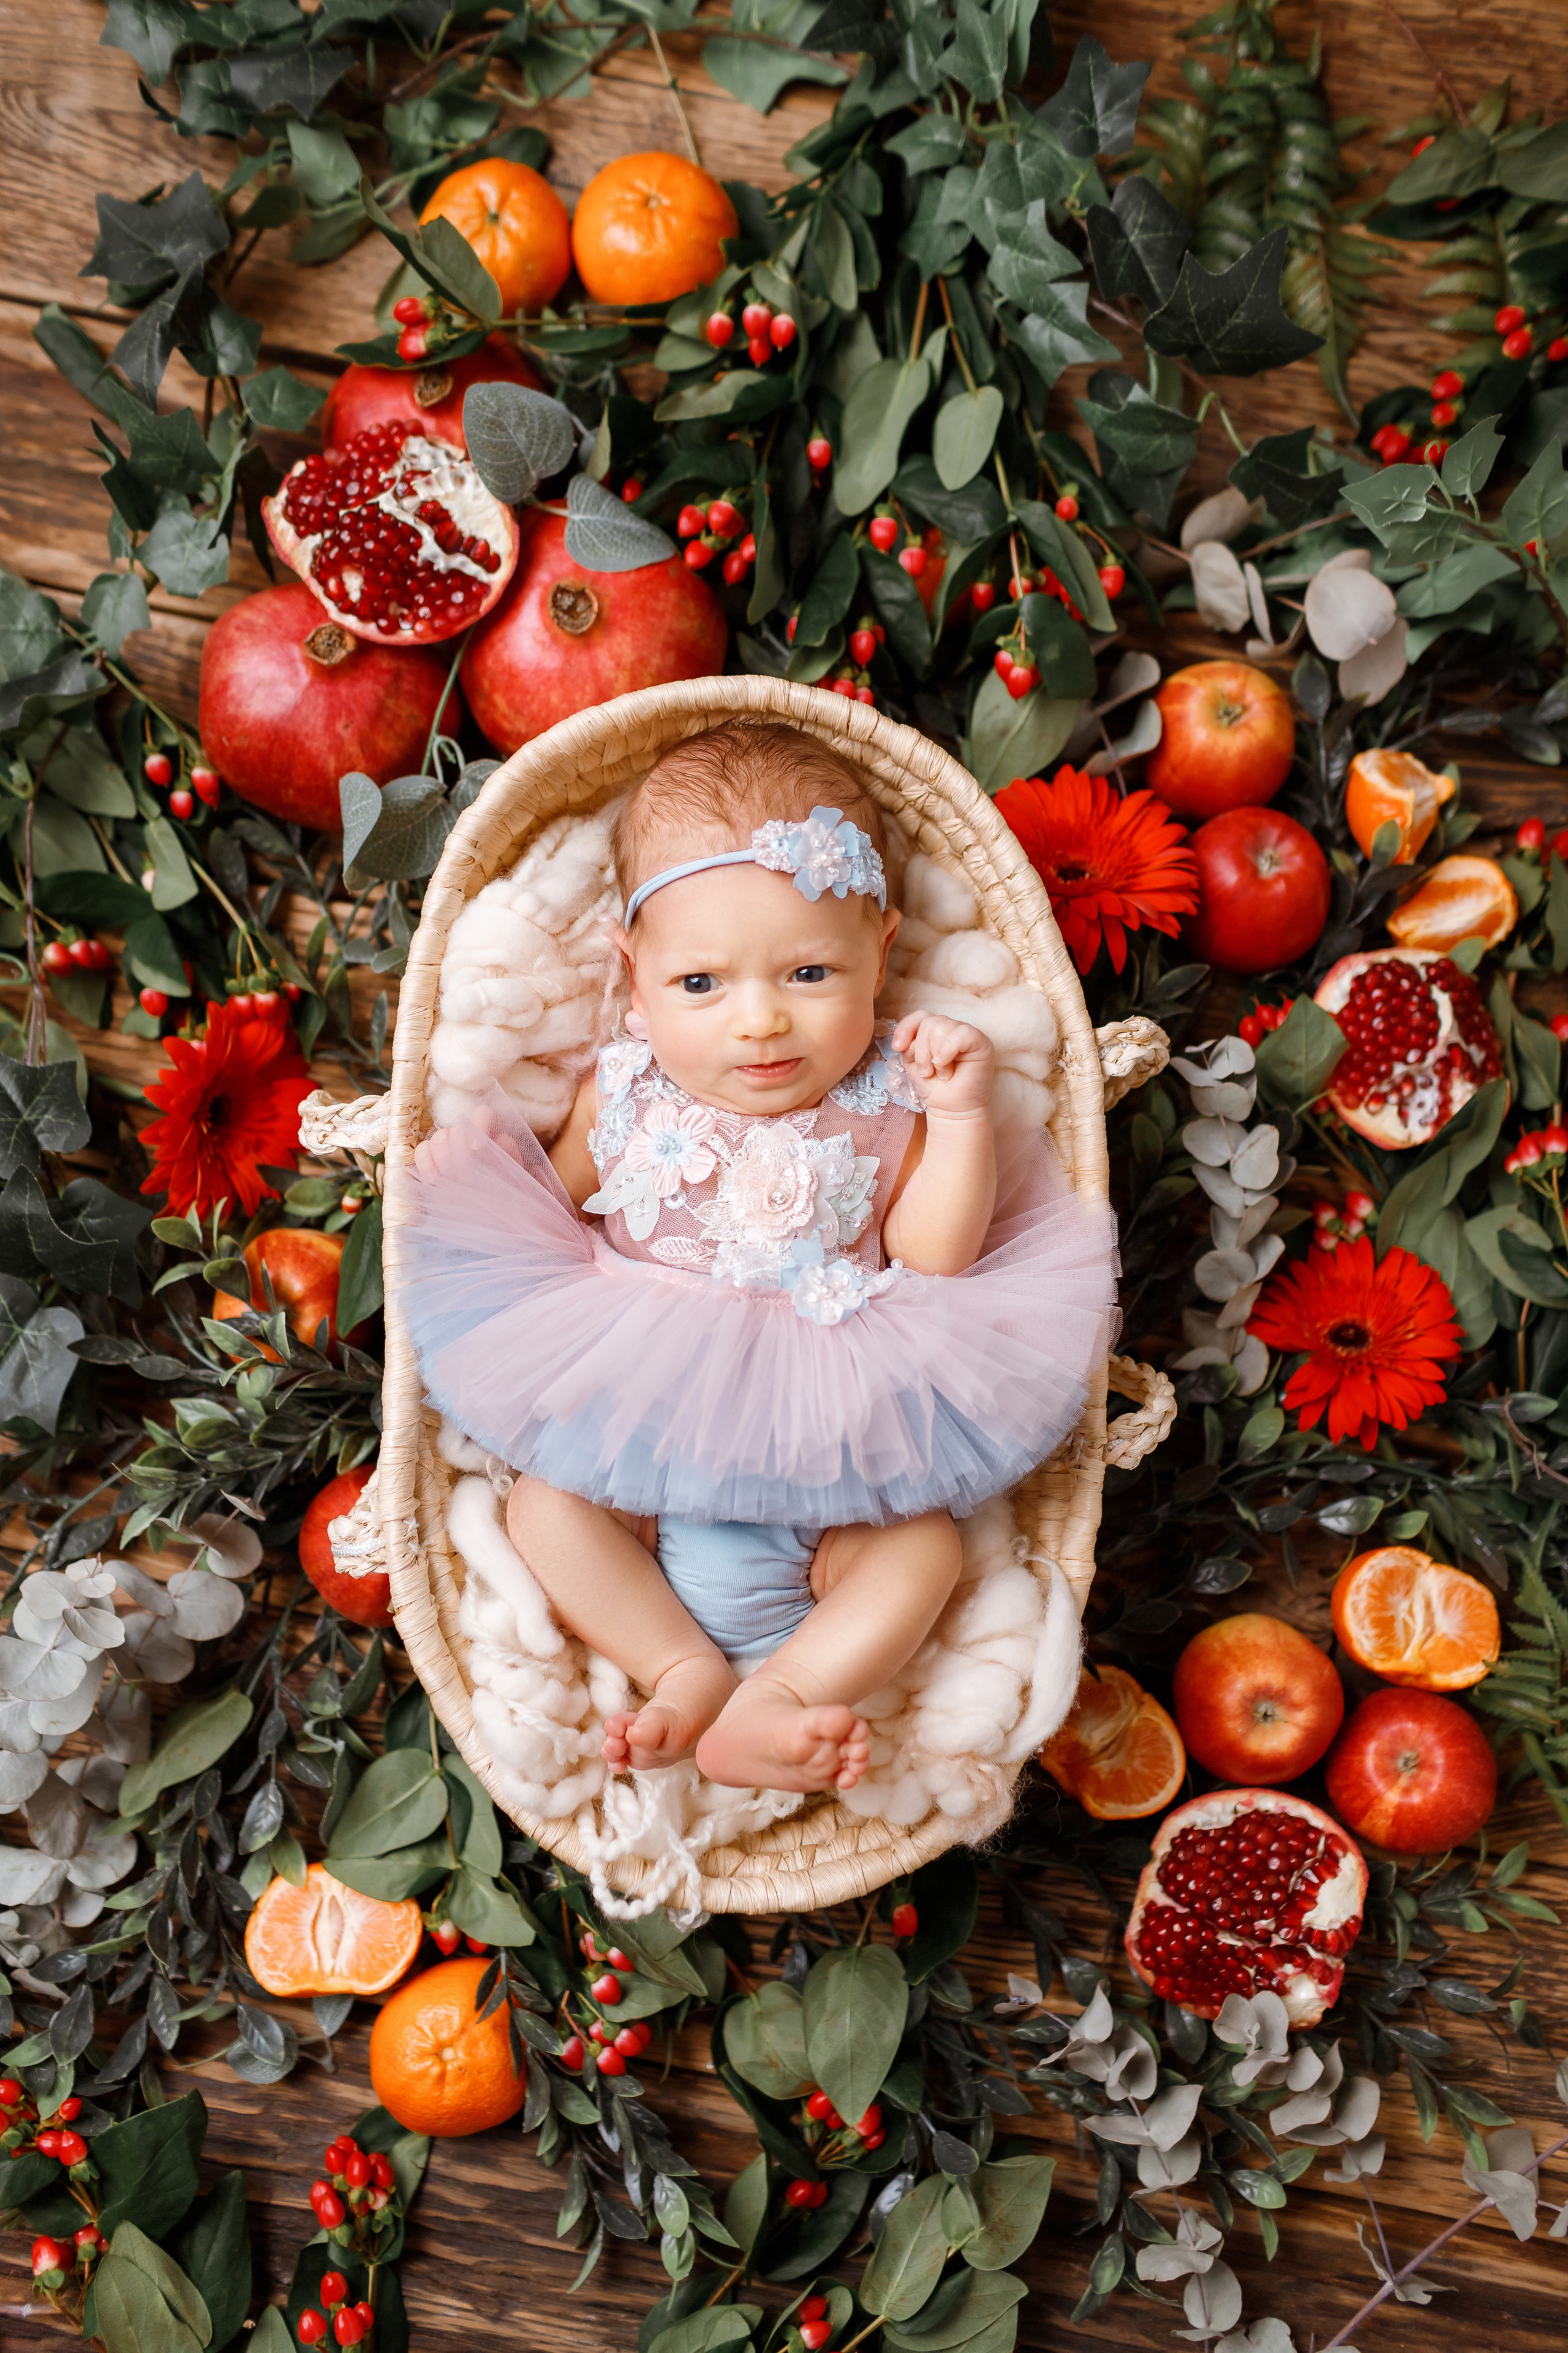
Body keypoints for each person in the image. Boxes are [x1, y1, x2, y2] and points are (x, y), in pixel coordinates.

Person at [398, 720, 1117, 1796]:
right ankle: (676, 1665)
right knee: (543, 1506)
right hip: (639, 1459)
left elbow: (934, 1253)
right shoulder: (625, 1093)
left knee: (925, 1550)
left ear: (883, 947)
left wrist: (960, 1116)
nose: (761, 1020)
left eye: (812, 969)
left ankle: (781, 1693)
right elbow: (545, 1203)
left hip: (834, 1473)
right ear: (632, 976)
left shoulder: (886, 1098)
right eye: (701, 985)